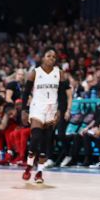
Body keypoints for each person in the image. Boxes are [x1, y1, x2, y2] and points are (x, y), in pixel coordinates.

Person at [20, 49, 67, 184]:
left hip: (52, 108)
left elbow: (63, 96)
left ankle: (39, 172)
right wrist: (24, 110)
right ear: (43, 58)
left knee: (46, 142)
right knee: (35, 138)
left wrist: (60, 111)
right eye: (48, 56)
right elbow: (25, 93)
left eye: (54, 56)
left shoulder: (60, 73)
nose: (51, 58)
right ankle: (29, 165)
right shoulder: (35, 72)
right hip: (37, 107)